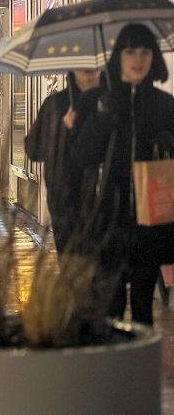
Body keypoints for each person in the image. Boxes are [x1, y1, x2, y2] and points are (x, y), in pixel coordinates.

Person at [74, 23, 174, 325]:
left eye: (144, 51)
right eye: (130, 51)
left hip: (150, 222)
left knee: (144, 306)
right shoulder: (96, 101)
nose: (138, 59)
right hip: (108, 221)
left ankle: (142, 369)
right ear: (118, 56)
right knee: (110, 305)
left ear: (153, 56)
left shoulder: (164, 105)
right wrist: (103, 118)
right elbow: (81, 156)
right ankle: (113, 369)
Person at [25, 70, 101, 253]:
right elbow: (34, 150)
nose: (89, 69)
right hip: (65, 202)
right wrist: (63, 127)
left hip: (104, 200)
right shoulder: (55, 105)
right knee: (71, 265)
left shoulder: (111, 102)